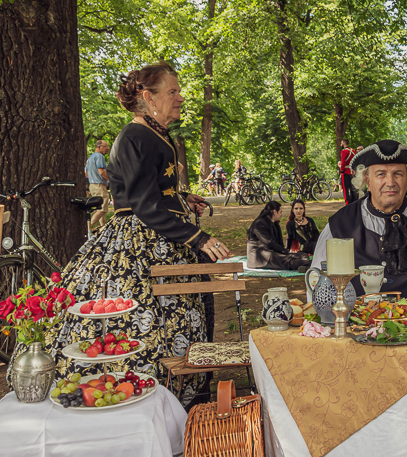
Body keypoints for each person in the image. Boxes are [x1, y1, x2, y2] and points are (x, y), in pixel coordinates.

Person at [41, 62, 228, 406]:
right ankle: (146, 396)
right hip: (139, 242)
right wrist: (199, 238)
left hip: (162, 235)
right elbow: (142, 204)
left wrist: (182, 199)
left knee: (183, 314)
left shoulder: (155, 134)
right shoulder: (134, 136)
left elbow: (150, 189)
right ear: (148, 97)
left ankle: (181, 396)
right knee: (145, 316)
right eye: (172, 91)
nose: (180, 97)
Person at [312, 139, 407, 296]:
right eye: (381, 174)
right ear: (367, 180)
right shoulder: (340, 224)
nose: (390, 182)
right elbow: (316, 286)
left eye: (398, 174)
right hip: (355, 320)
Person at [247, 201, 311, 270]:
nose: (281, 214)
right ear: (274, 212)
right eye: (280, 212)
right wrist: (285, 252)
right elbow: (269, 243)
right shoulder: (259, 224)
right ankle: (311, 264)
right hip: (262, 256)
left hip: (271, 253)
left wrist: (286, 252)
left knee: (302, 255)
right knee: (290, 261)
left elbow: (279, 243)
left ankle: (305, 266)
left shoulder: (275, 223)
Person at [84, 139, 110, 230]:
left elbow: (85, 173)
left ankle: (103, 227)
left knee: (100, 207)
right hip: (99, 185)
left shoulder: (90, 158)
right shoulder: (99, 156)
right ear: (99, 147)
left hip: (92, 186)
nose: (108, 148)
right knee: (103, 209)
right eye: (106, 146)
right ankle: (87, 228)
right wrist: (112, 179)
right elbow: (102, 171)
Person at [338, 138, 356, 203]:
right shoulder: (353, 151)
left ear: (344, 143)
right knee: (352, 188)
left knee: (345, 188)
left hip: (346, 172)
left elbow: (343, 163)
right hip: (352, 171)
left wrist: (341, 171)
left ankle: (347, 202)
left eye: (341, 143)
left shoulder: (344, 151)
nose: (340, 145)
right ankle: (353, 201)